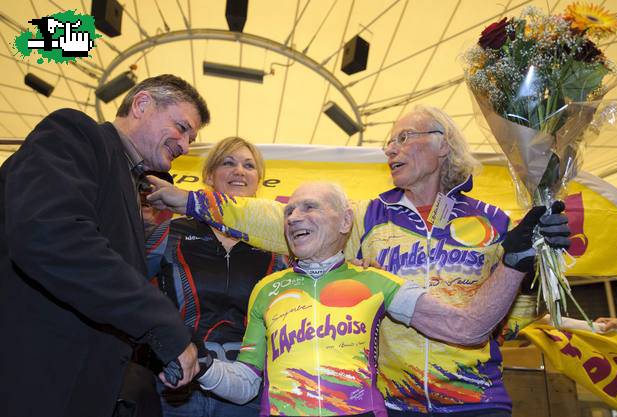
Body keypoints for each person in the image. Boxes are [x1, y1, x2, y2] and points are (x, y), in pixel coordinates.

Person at [147, 105, 571, 417]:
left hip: (476, 399)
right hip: (392, 401)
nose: (391, 149)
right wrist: (192, 200)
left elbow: (507, 313)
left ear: (443, 145)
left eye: (404, 138)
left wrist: (536, 270)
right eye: (389, 141)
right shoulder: (368, 215)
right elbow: (279, 220)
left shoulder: (494, 221)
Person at [191, 181, 563, 417]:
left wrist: (514, 263)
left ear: (345, 222)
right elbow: (245, 384)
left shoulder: (376, 280)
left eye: (309, 207)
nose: (293, 217)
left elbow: (465, 328)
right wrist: (203, 366)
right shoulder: (267, 289)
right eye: (289, 210)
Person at [0, 74, 209, 417]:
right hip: (34, 382)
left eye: (192, 137)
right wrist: (163, 325)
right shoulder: (75, 133)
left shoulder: (128, 182)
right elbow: (52, 235)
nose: (186, 146)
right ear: (142, 104)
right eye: (182, 127)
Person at [147, 137, 286, 417]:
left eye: (249, 165)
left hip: (246, 389)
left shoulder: (281, 244)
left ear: (259, 180)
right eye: (228, 163)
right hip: (177, 386)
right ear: (209, 176)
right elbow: (128, 293)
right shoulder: (169, 233)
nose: (239, 171)